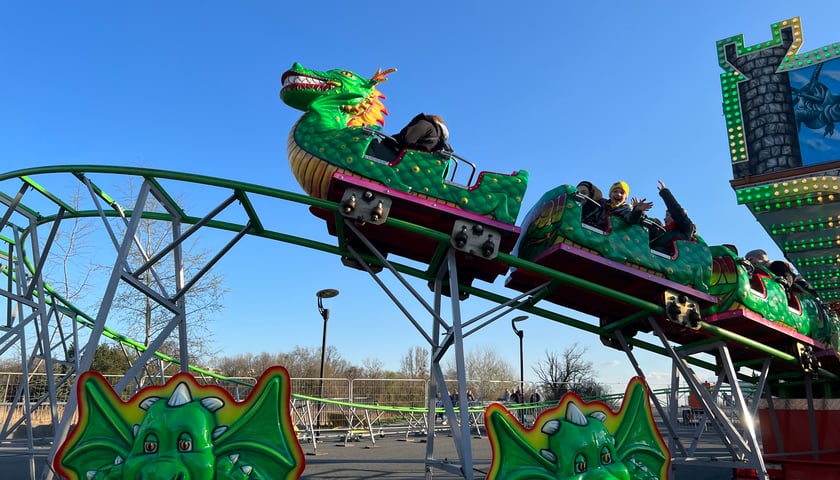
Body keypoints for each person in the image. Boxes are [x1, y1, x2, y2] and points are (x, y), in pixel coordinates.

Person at [648, 180, 696, 255]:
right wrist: (638, 212)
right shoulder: (662, 233)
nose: (664, 219)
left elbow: (676, 211)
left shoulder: (686, 228)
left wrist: (665, 193)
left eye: (668, 215)